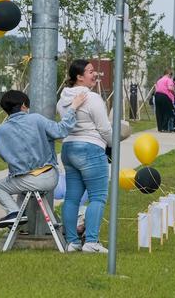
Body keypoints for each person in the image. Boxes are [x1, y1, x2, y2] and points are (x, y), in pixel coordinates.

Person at [0, 90, 79, 228]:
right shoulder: (36, 119)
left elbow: (2, 155)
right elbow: (60, 131)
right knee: (21, 186)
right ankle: (17, 217)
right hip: (48, 176)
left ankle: (14, 213)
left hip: (25, 178)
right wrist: (73, 108)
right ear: (24, 106)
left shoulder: (1, 130)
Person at [57, 60, 113, 253]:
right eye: (90, 71)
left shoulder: (62, 100)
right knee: (98, 196)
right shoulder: (93, 98)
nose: (95, 74)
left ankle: (72, 242)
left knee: (72, 198)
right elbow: (104, 128)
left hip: (69, 149)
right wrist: (114, 143)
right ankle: (91, 241)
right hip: (90, 149)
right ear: (79, 77)